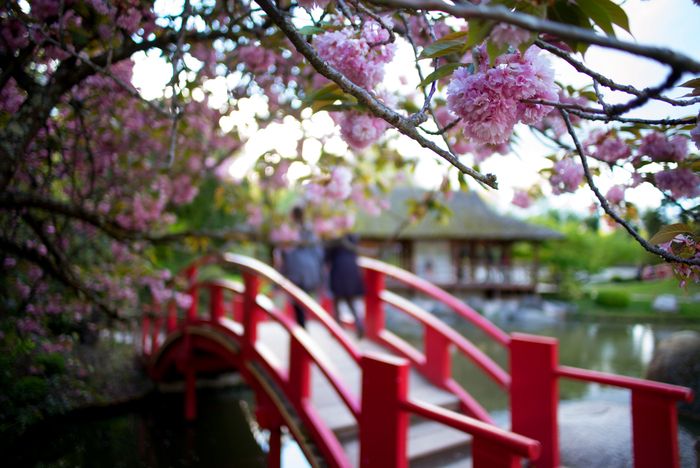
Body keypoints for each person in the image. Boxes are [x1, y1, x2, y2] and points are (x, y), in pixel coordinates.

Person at [278, 206, 323, 328]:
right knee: (303, 299)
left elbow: (284, 250)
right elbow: (319, 252)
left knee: (297, 300)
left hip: (296, 268)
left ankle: (302, 326)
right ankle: (302, 325)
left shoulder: (290, 230)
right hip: (310, 269)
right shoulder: (310, 230)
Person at [324, 232, 365, 338]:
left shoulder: (335, 242)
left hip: (338, 273)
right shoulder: (352, 241)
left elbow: (326, 258)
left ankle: (337, 329)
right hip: (352, 274)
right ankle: (359, 324)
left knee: (337, 302)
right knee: (350, 302)